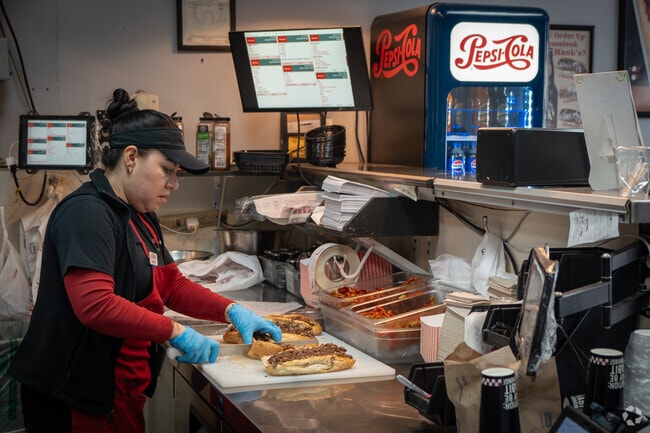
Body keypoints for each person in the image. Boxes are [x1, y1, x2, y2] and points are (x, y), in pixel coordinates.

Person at [8, 88, 283, 433]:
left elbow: (171, 284)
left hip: (120, 391)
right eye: (167, 169)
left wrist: (230, 311)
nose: (174, 184)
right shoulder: (88, 213)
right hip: (75, 395)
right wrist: (174, 330)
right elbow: (95, 305)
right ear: (132, 157)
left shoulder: (140, 212)